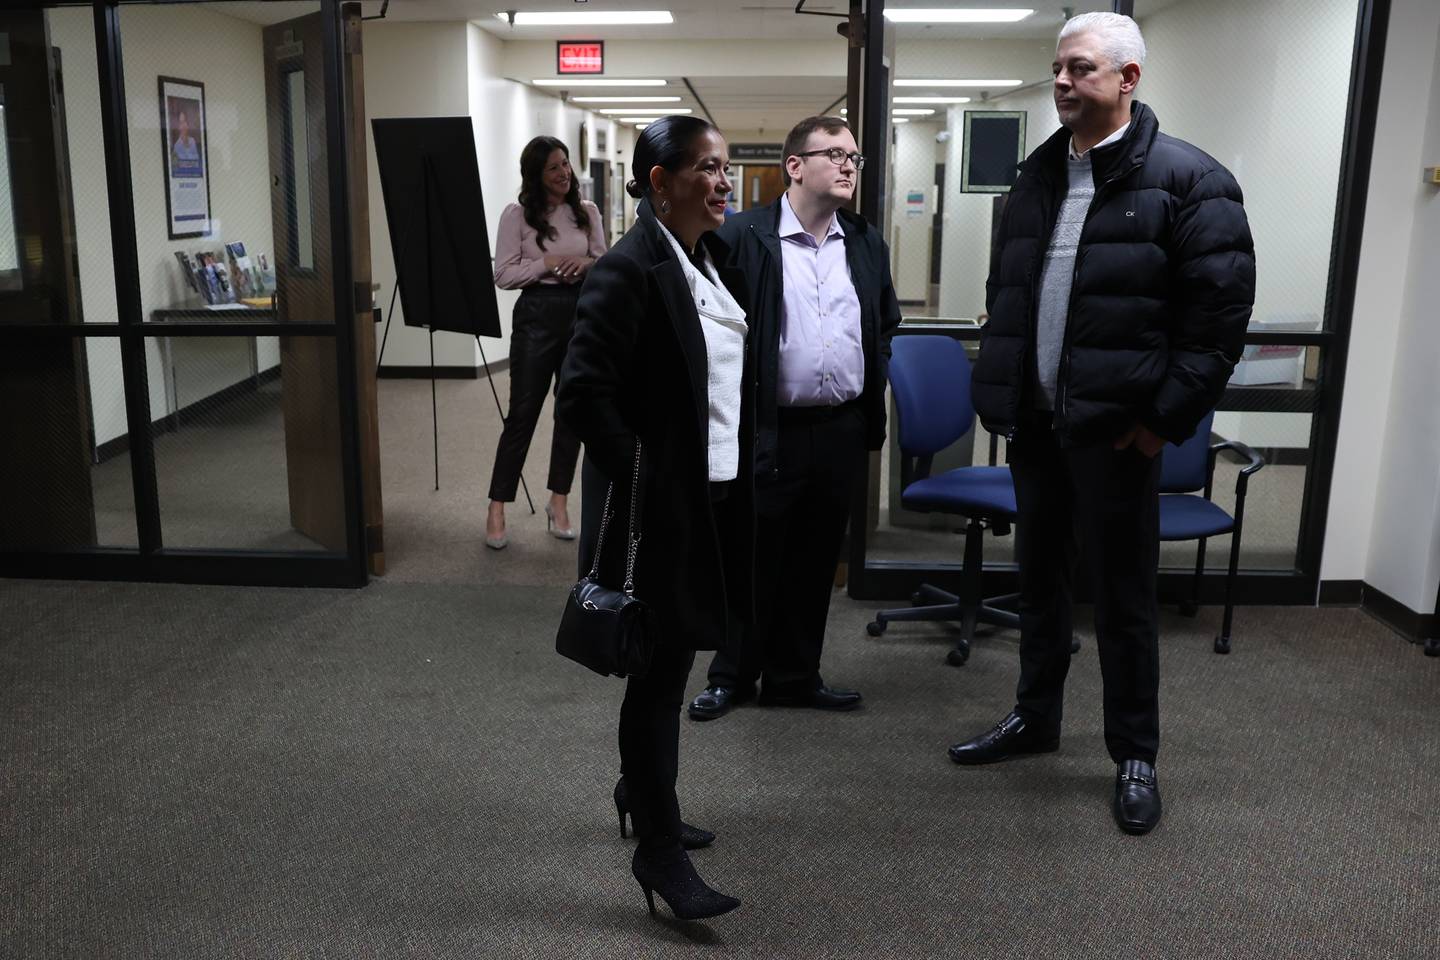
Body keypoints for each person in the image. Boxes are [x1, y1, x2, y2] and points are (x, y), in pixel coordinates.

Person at [949, 12, 1255, 836]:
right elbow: (1008, 297)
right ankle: (1035, 717)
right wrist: (1005, 394)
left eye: (1080, 69)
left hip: (1118, 434)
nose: (1061, 83)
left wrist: (1160, 424)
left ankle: (1135, 754)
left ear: (1128, 79)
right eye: (1057, 68)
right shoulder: (1034, 179)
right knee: (1040, 583)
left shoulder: (1192, 182)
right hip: (1040, 426)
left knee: (1122, 599)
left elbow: (1217, 323)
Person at [556, 116, 751, 921]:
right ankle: (658, 852)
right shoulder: (628, 269)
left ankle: (644, 794)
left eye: (726, 167)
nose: (723, 181)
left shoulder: (707, 258)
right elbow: (582, 396)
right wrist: (647, 473)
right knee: (660, 676)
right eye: (707, 168)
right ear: (658, 180)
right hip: (659, 504)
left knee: (676, 664)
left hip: (711, 493)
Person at [688, 116, 899, 721]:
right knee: (754, 556)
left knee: (814, 560)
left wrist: (867, 400)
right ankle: (731, 674)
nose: (847, 166)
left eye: (854, 158)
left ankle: (794, 675)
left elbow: (882, 325)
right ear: (795, 165)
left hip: (838, 427)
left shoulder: (863, 240)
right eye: (834, 154)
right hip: (769, 427)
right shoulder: (742, 237)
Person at [488, 136, 606, 549]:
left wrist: (586, 264)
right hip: (536, 318)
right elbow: (503, 274)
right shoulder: (517, 215)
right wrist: (547, 263)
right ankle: (498, 505)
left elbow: (603, 262)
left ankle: (559, 500)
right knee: (522, 413)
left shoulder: (587, 211)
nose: (564, 173)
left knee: (570, 413)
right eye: (554, 167)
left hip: (579, 314)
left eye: (566, 164)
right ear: (536, 175)